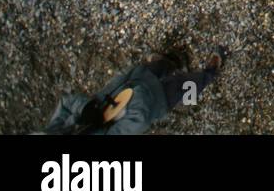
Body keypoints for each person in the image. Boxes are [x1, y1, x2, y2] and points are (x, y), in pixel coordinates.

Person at [43, 49, 225, 135]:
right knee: (185, 86)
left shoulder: (53, 131)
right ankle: (209, 75)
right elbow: (139, 120)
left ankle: (171, 63)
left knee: (152, 67)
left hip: (126, 84)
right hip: (154, 100)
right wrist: (140, 94)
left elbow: (66, 103)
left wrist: (86, 108)